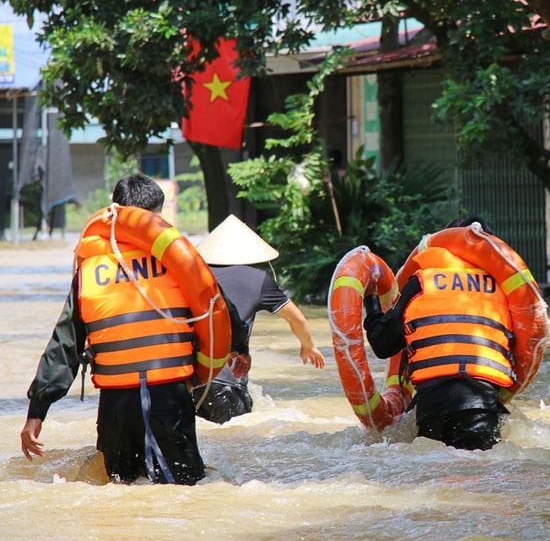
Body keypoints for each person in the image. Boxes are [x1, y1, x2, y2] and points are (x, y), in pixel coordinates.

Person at [20, 173, 240, 485]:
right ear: (158, 216)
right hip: (169, 397)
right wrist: (239, 347)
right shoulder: (177, 262)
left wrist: (36, 412)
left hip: (117, 406)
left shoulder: (90, 271)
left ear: (116, 212)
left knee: (119, 489)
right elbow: (217, 305)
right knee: (186, 490)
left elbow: (64, 345)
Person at [363, 216, 520, 450]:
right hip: (482, 405)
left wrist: (372, 301)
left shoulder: (421, 283)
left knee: (436, 474)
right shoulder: (505, 290)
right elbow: (525, 346)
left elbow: (383, 345)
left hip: (432, 406)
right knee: (481, 476)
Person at [193, 215, 326, 424]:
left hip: (192, 381)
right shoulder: (258, 279)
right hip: (228, 384)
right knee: (236, 446)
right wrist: (308, 346)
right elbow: (297, 319)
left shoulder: (193, 275)